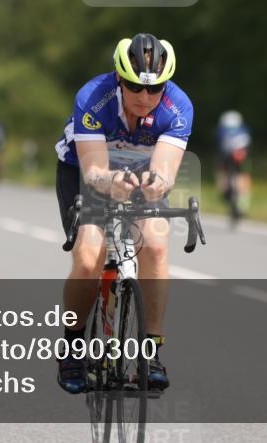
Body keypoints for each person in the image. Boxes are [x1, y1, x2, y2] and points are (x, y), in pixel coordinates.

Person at [53, 33, 193, 394]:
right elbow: (94, 171)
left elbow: (164, 171)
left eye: (155, 88)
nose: (145, 97)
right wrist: (111, 182)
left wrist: (155, 185)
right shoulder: (93, 97)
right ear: (119, 79)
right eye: (135, 86)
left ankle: (151, 353)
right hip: (86, 171)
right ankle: (72, 345)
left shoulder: (178, 107)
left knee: (157, 245)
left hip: (138, 174)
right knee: (88, 257)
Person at [215, 110, 252, 226]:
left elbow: (217, 143)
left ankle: (228, 195)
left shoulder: (221, 130)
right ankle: (243, 204)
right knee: (243, 176)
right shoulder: (244, 129)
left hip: (226, 158)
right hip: (241, 157)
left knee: (222, 174)